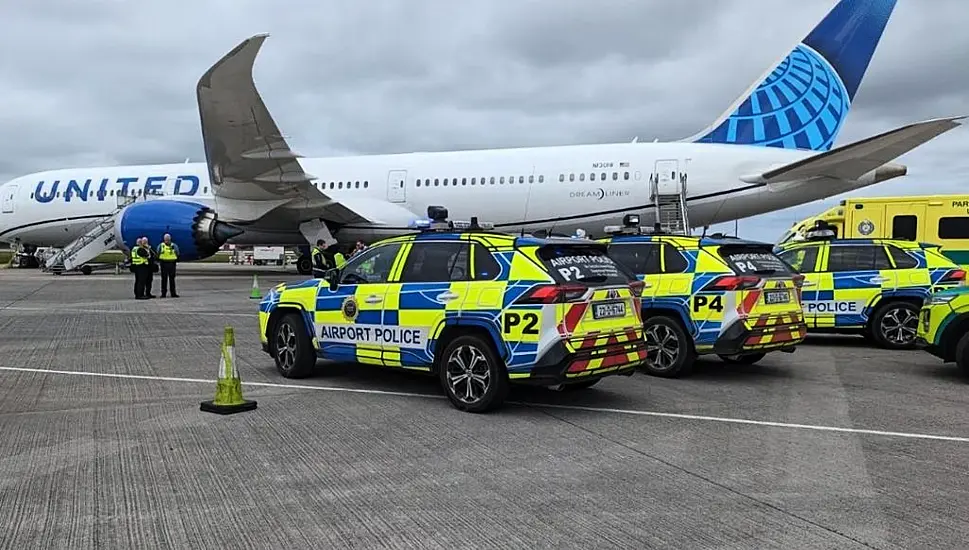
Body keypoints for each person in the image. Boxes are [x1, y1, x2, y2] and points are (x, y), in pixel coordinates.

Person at [156, 233, 180, 298]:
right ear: (164, 239)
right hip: (164, 264)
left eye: (168, 239)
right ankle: (163, 293)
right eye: (166, 239)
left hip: (172, 264)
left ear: (170, 239)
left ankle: (173, 293)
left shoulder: (174, 246)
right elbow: (157, 253)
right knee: (164, 279)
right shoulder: (161, 246)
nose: (167, 241)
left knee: (172, 279)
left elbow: (177, 253)